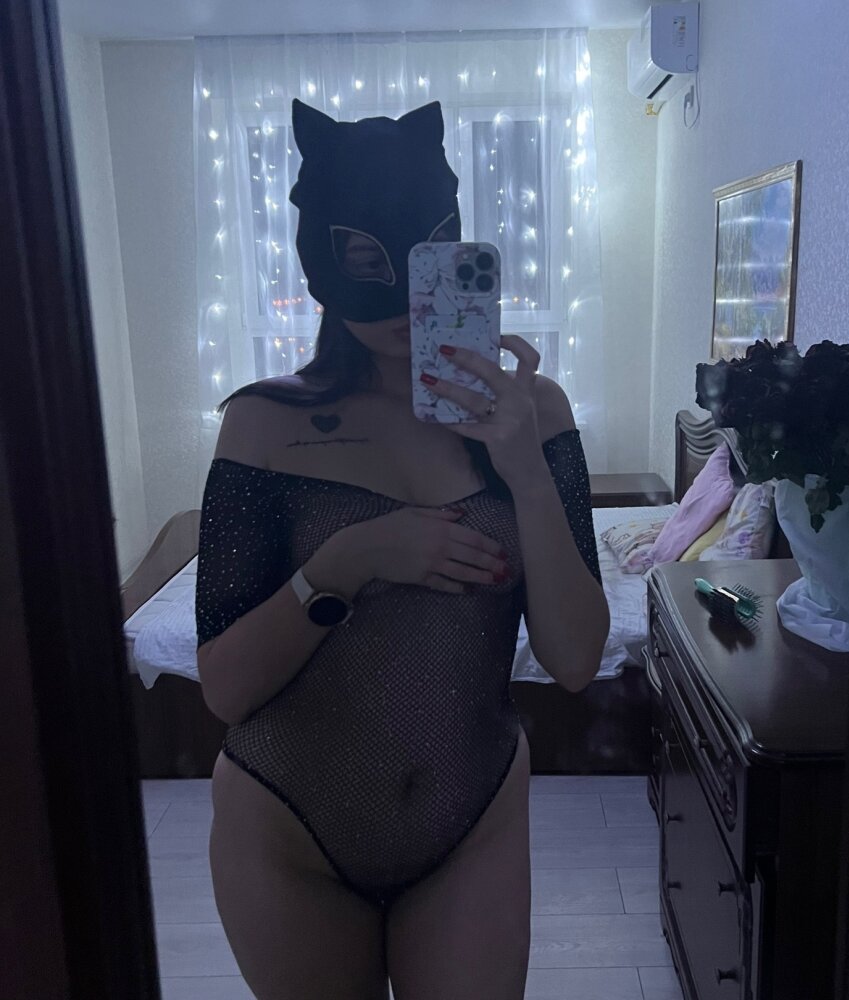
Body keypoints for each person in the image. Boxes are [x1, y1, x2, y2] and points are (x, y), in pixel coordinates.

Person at [195, 98, 610, 1000]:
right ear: (322, 263)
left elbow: (577, 659)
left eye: (422, 252)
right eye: (361, 259)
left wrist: (524, 470)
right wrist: (347, 561)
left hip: (472, 814)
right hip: (288, 824)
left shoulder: (532, 413)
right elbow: (224, 687)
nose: (395, 301)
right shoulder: (264, 422)